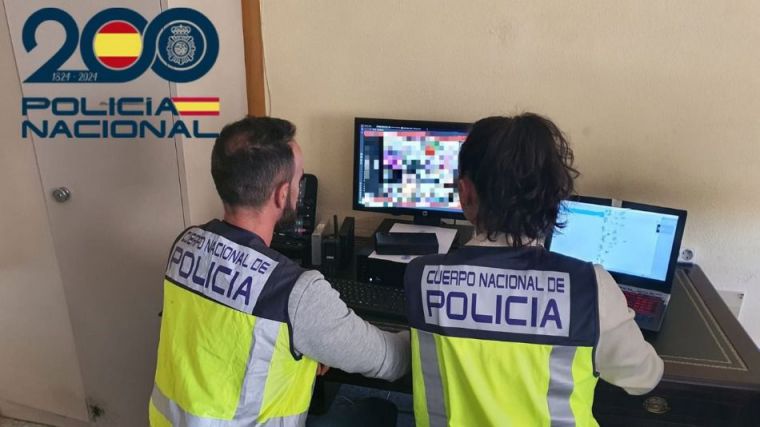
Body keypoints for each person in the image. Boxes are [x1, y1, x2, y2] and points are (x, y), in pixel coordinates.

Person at [404, 113, 663, 426]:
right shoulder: (589, 287)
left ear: (466, 192)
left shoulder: (422, 277)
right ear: (555, 196)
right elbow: (643, 378)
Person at [149, 117, 409, 427]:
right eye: (299, 179)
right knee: (379, 410)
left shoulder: (185, 245)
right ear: (282, 194)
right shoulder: (295, 291)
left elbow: (219, 336)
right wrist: (429, 336)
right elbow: (390, 361)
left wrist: (304, 344)